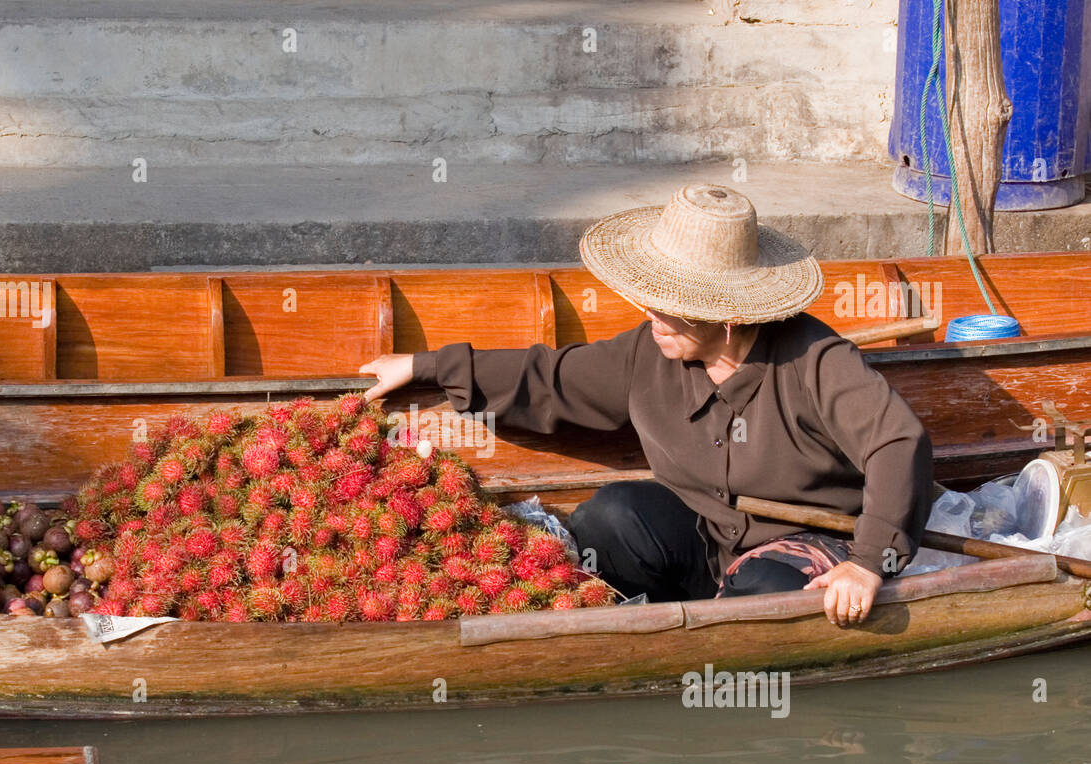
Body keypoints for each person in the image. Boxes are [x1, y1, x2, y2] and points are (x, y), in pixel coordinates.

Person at [360, 184, 933, 627]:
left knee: (762, 593)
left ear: (729, 315)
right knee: (609, 517)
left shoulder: (816, 359)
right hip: (701, 536)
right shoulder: (649, 350)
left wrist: (868, 561)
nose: (652, 318)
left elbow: (898, 442)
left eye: (671, 307)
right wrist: (425, 366)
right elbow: (551, 379)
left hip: (806, 543)